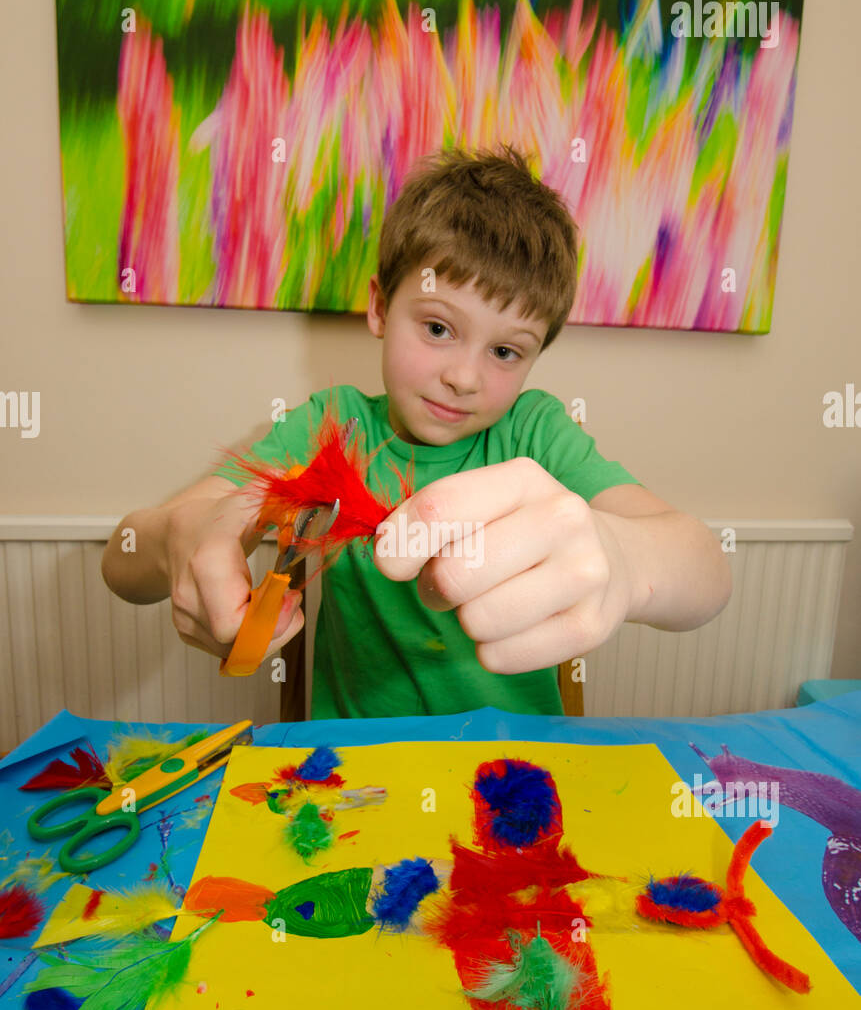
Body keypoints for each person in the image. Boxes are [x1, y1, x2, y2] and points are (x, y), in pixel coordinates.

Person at [103, 145, 731, 718]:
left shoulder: (537, 434)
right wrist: (175, 540)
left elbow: (708, 573)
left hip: (517, 773)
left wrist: (626, 561)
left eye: (505, 352)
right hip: (356, 776)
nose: (463, 377)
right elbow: (120, 561)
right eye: (437, 328)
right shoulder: (329, 426)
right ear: (380, 307)